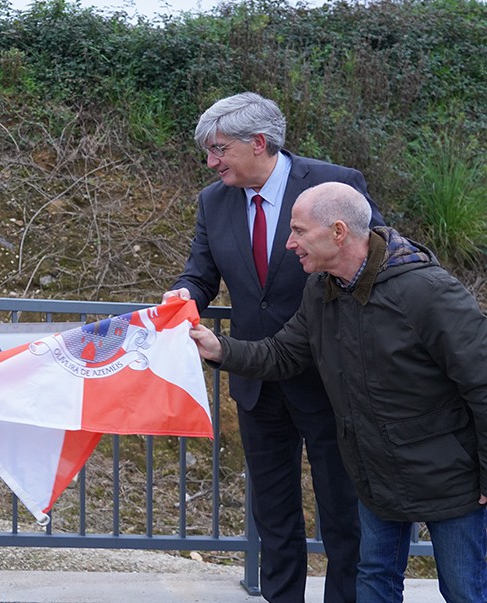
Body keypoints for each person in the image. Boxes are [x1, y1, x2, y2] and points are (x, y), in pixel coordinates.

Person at [189, 181, 487, 602]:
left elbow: (482, 383)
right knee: (373, 581)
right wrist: (220, 349)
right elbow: (283, 354)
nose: (289, 243)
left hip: (452, 481)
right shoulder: (322, 290)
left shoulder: (429, 292)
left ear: (339, 232)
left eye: (298, 231)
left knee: (463, 590)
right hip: (375, 476)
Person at [165, 92, 385, 602]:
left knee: (342, 517)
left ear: (258, 143)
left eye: (218, 149)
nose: (211, 161)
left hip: (331, 382)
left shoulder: (337, 186)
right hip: (256, 383)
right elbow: (201, 274)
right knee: (274, 517)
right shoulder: (212, 200)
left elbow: (371, 263)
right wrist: (184, 294)